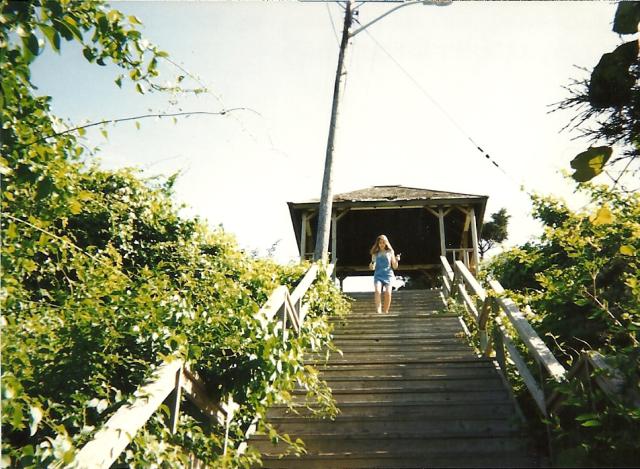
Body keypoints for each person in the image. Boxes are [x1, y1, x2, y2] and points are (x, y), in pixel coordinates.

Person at [369, 234, 400, 314]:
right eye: (380, 243)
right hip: (378, 275)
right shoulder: (375, 253)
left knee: (388, 292)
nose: (382, 244)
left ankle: (385, 311)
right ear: (378, 244)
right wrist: (372, 265)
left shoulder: (390, 252)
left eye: (383, 242)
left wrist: (396, 260)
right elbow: (372, 266)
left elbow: (394, 266)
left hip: (388, 275)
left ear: (386, 243)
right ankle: (378, 311)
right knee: (377, 291)